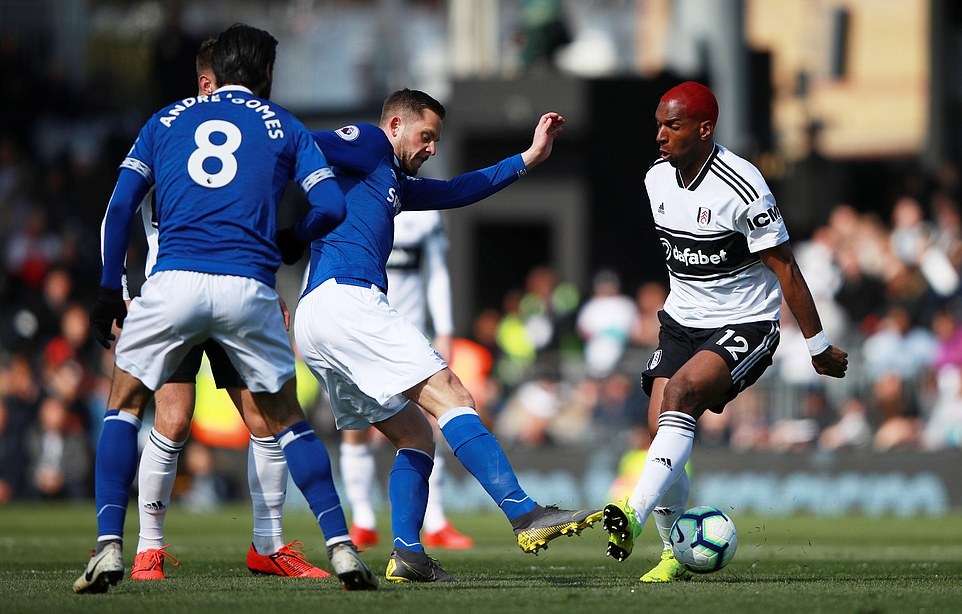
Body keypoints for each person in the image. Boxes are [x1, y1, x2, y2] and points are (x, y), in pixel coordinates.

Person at [73, 24, 378, 594]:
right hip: (248, 285)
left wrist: (107, 289)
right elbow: (332, 204)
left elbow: (118, 209)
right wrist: (294, 238)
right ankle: (340, 547)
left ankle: (113, 546)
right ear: (265, 74)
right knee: (286, 418)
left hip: (173, 282)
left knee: (124, 405)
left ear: (212, 74)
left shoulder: (164, 121)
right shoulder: (284, 124)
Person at [286, 89, 601, 583]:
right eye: (426, 136)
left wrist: (529, 157)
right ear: (394, 125)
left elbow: (459, 190)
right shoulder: (369, 143)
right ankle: (525, 513)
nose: (432, 147)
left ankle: (409, 554)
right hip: (346, 298)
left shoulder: (391, 180)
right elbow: (298, 141)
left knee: (415, 435)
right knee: (452, 395)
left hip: (318, 317)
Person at [600, 81, 848, 583]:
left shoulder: (745, 186)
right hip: (681, 322)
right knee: (659, 424)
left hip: (746, 322)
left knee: (683, 393)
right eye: (658, 124)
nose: (660, 135)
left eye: (672, 125)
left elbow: (787, 271)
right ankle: (675, 552)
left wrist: (817, 346)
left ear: (704, 128)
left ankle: (631, 512)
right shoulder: (656, 180)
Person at [126, 37, 328, 582]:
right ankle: (149, 547)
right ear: (203, 81)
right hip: (175, 289)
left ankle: (268, 545)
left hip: (223, 286)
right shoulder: (171, 132)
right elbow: (121, 213)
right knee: (171, 417)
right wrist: (126, 291)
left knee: (262, 420)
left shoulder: (174, 129)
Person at [342, 209, 473, 551]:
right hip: (363, 328)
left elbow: (436, 272)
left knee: (434, 418)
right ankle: (363, 521)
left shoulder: (425, 212)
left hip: (409, 332)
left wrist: (444, 328)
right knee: (357, 427)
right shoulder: (355, 196)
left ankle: (437, 521)